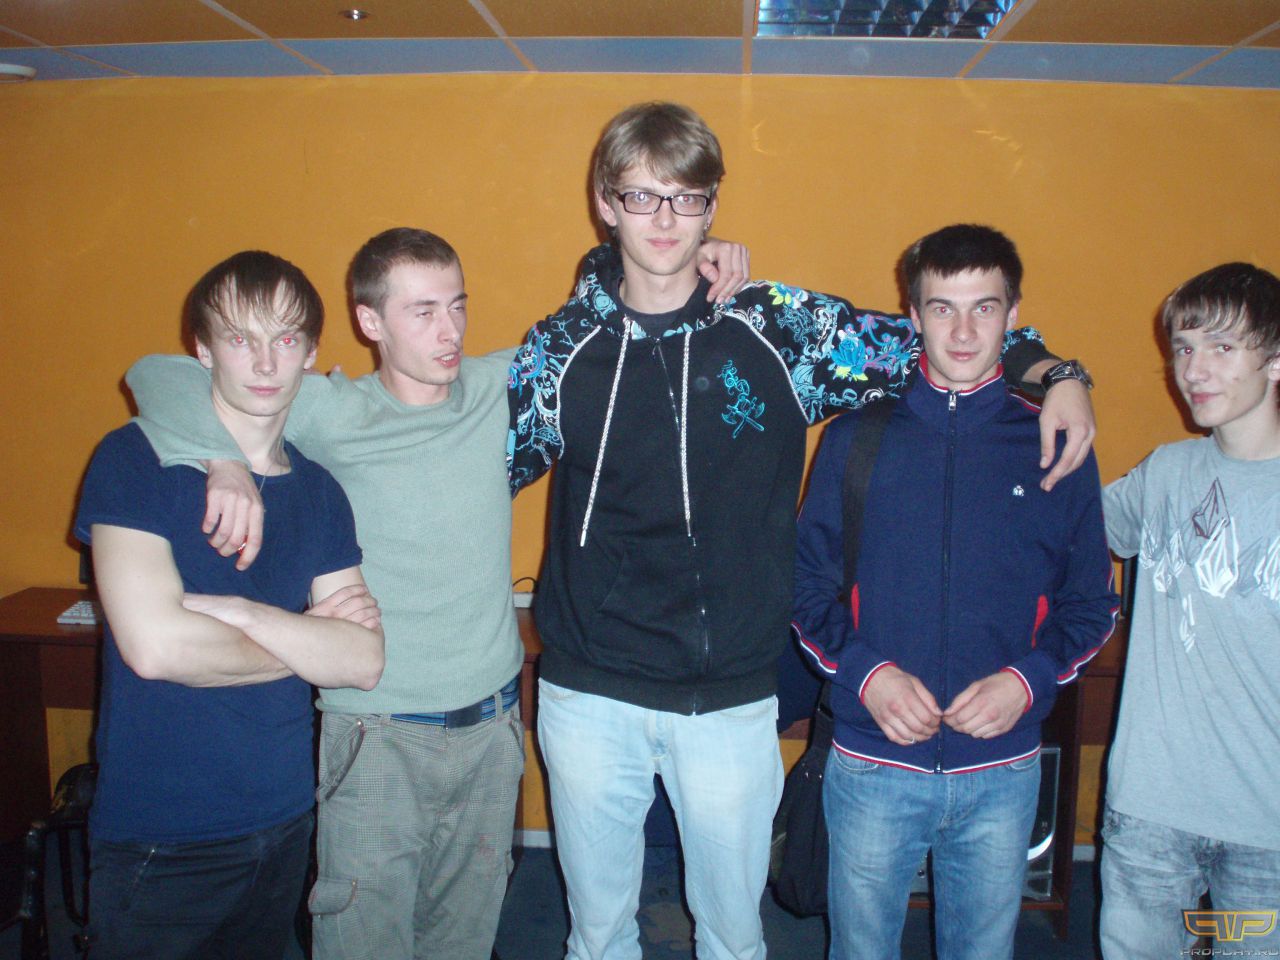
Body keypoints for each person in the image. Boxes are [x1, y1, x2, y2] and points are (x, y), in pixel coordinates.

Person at [506, 103, 1097, 960]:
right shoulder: (558, 349)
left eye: (687, 198)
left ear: (713, 206)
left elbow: (949, 338)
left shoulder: (782, 329)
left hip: (727, 698)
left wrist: (1058, 373)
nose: (666, 219)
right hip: (590, 693)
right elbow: (474, 466)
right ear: (605, 203)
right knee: (596, 939)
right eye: (642, 197)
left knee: (735, 939)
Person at [124, 227, 747, 960]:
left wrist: (692, 256)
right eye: (422, 312)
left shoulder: (497, 388)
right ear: (370, 321)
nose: (449, 331)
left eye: (457, 305)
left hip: (491, 731)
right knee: (365, 942)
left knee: (464, 940)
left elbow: (610, 326)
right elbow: (157, 373)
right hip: (379, 734)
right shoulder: (331, 411)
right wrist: (221, 457)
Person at [791, 224, 1118, 960]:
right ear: (914, 315)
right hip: (873, 763)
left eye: (984, 308)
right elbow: (805, 586)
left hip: (1001, 770)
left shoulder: (1055, 445)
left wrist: (1028, 680)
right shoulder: (854, 439)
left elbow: (1092, 603)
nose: (964, 331)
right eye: (943, 308)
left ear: (1013, 314)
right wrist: (867, 675)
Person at [75, 250, 385, 960]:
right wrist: (309, 642)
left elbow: (364, 660)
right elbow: (157, 648)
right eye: (241, 338)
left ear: (312, 352)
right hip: (162, 832)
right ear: (203, 349)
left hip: (285, 818)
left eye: (286, 338)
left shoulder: (320, 492)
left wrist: (246, 615)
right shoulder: (133, 461)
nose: (266, 361)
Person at [1099, 262, 1280, 959]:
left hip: (1267, 825)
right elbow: (1056, 531)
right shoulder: (1166, 473)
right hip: (1150, 811)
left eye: (1222, 347)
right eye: (1183, 348)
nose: (1194, 371)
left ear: (1275, 359)